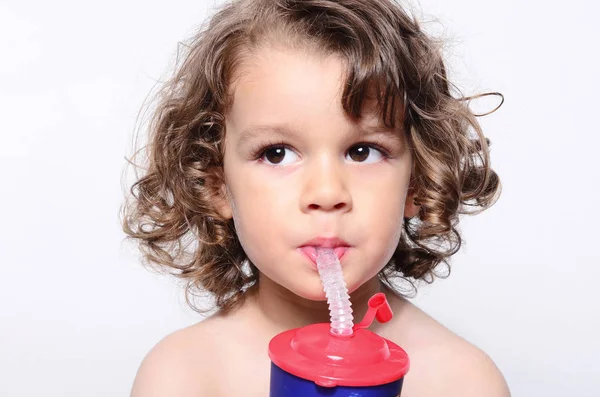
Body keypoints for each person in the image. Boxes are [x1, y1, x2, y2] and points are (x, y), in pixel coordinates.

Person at [121, 0, 509, 395]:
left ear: (417, 182)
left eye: (363, 151)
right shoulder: (183, 376)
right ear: (217, 185)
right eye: (277, 153)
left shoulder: (462, 381)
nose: (326, 193)